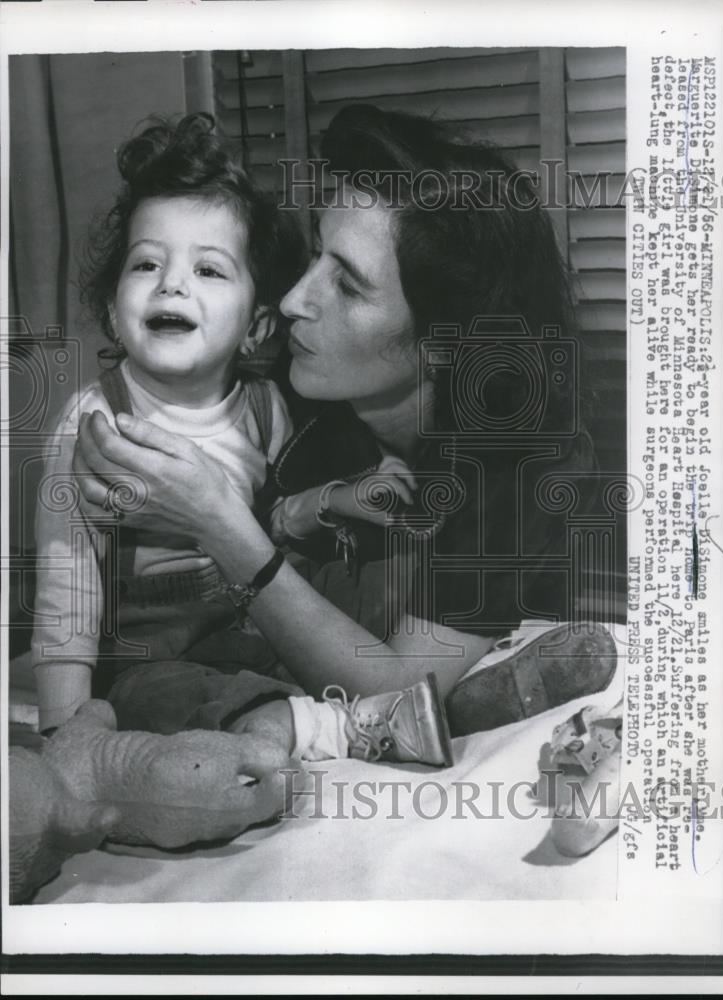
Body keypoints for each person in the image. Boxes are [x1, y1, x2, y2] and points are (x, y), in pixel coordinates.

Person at [72, 104, 617, 763]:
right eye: (313, 256)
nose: (297, 298)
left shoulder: (524, 464)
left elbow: (390, 690)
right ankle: (462, 711)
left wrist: (218, 523)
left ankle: (454, 706)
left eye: (348, 286)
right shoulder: (281, 377)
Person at [31, 111, 452, 767]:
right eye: (146, 264)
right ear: (114, 307)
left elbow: (274, 531)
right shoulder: (97, 423)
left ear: (256, 326)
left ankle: (457, 697)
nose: (171, 283)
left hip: (253, 617)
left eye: (209, 271)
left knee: (376, 582)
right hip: (155, 645)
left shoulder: (266, 408)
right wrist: (64, 728)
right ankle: (321, 726)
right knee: (162, 698)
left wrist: (335, 499)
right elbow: (67, 580)